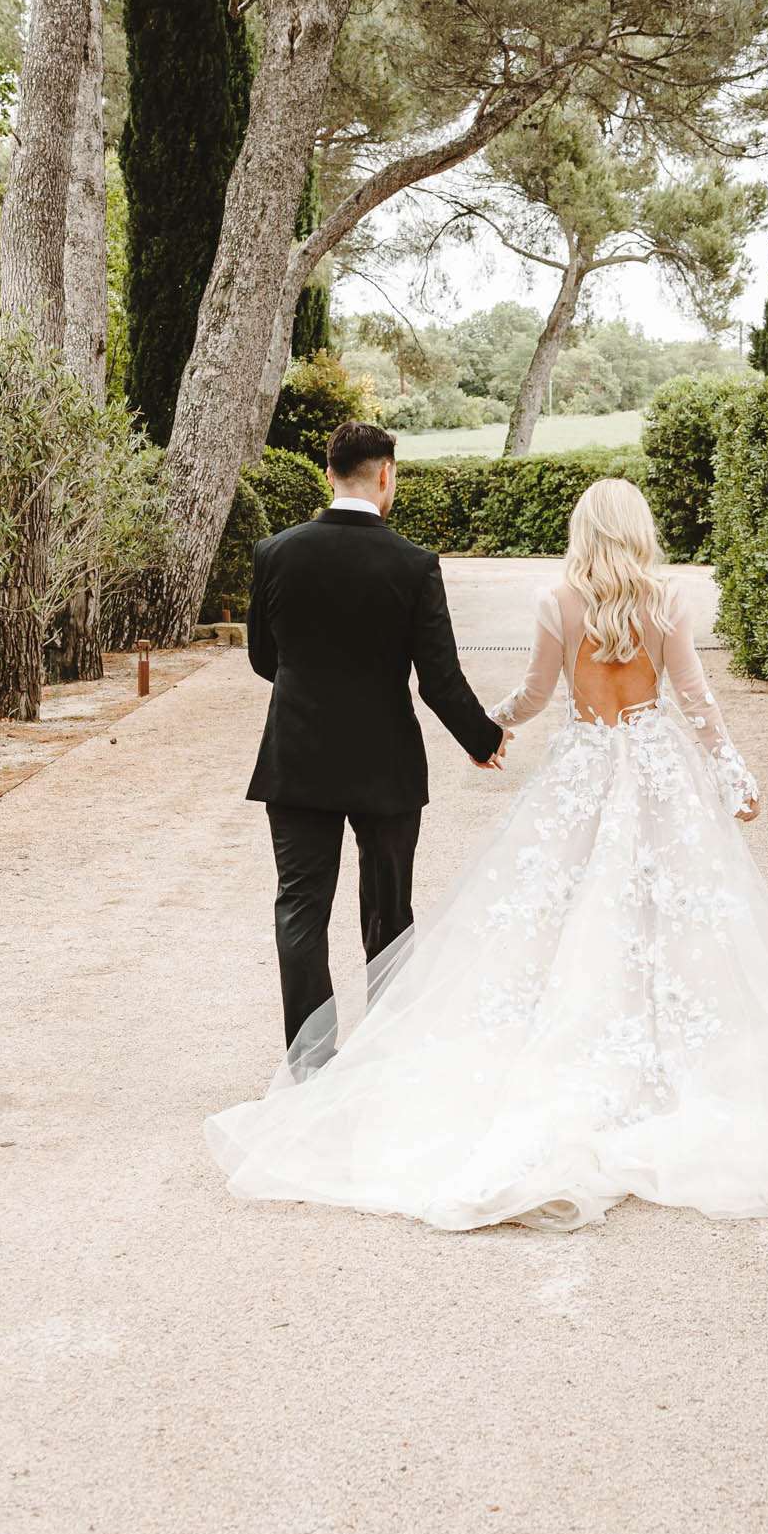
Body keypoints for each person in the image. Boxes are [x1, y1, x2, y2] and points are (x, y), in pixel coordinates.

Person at [210, 477, 768, 1231]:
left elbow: (537, 695)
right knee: (667, 903)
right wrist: (734, 775)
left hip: (581, 771)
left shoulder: (558, 601)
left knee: (556, 906)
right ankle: (662, 1050)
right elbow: (697, 699)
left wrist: (493, 728)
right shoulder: (668, 602)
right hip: (658, 769)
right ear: (638, 529)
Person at [245, 419, 506, 1061]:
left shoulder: (275, 552)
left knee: (301, 910)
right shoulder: (413, 565)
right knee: (388, 911)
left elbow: (261, 657)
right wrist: (482, 737)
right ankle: (386, 1060)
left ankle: (311, 1061)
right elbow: (438, 679)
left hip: (297, 758)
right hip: (384, 763)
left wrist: (311, 686)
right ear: (386, 474)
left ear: (328, 473)